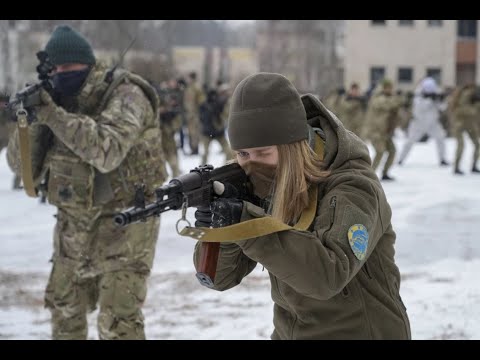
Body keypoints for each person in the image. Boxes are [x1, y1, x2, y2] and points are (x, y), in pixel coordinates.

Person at [192, 73, 411, 340]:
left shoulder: (353, 187)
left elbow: (326, 275)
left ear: (293, 146)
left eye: (263, 153)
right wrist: (221, 228)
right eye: (243, 154)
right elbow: (218, 278)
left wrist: (245, 223)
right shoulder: (262, 181)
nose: (251, 164)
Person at [7, 25, 167, 340]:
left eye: (69, 67)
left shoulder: (125, 93)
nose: (62, 74)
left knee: (117, 321)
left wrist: (52, 114)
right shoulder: (59, 100)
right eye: (55, 69)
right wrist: (34, 120)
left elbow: (106, 150)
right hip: (73, 226)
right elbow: (20, 166)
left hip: (126, 223)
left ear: (87, 63)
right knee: (64, 312)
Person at [397, 77, 449, 167]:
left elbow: (443, 108)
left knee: (441, 138)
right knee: (409, 141)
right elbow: (419, 109)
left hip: (433, 123)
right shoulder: (418, 94)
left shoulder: (436, 93)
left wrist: (440, 100)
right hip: (418, 123)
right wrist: (429, 100)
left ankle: (442, 159)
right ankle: (401, 159)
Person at [364, 79, 402, 181]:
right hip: (375, 132)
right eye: (388, 88)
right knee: (380, 152)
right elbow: (388, 104)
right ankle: (368, 176)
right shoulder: (377, 98)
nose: (390, 90)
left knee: (392, 151)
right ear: (384, 88)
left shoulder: (389, 98)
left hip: (385, 132)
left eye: (391, 88)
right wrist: (400, 99)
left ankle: (385, 173)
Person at [449, 84, 480, 175]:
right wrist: (475, 105)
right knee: (461, 145)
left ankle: (474, 165)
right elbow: (462, 111)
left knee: (477, 145)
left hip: (470, 124)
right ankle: (456, 167)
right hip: (460, 124)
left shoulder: (470, 97)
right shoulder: (461, 98)